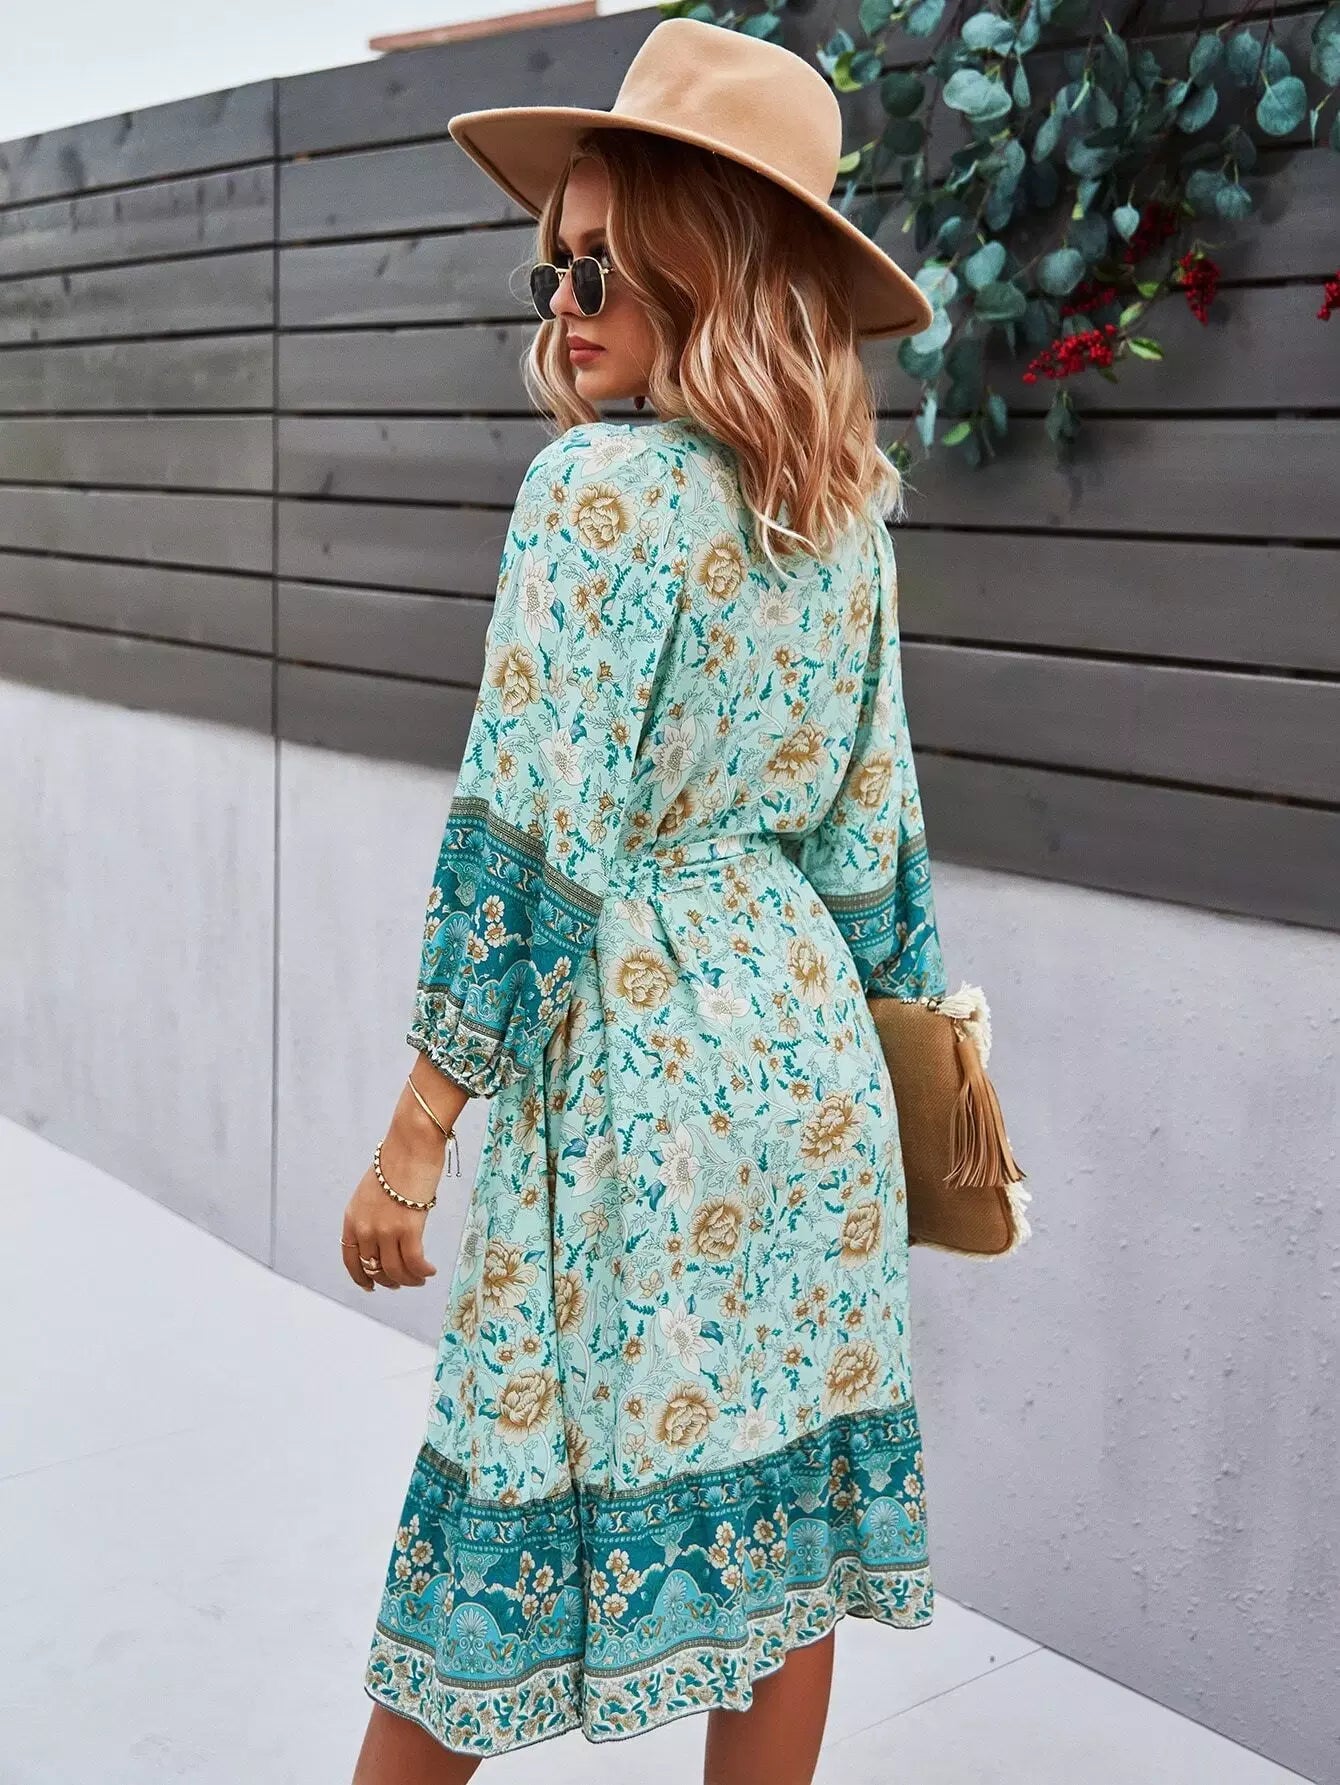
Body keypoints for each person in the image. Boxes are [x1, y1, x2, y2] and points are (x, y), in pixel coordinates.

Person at [345, 17, 947, 1784]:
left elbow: (532, 835)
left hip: (633, 1079)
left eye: (599, 260)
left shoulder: (595, 495)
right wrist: (907, 1057)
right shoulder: (849, 518)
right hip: (810, 1071)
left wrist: (419, 1126)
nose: (564, 297)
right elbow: (876, 844)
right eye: (554, 263)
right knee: (792, 1538)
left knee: (495, 1518)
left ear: (708, 262)